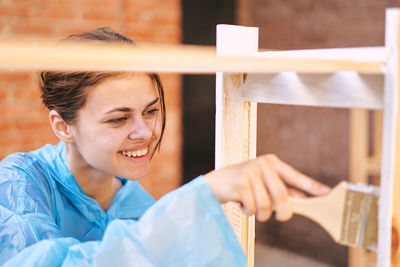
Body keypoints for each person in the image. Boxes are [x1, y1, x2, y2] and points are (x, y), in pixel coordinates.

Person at [0, 28, 330, 266]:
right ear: (62, 127)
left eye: (151, 111)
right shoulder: (19, 184)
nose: (145, 131)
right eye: (118, 119)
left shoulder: (139, 206)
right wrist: (203, 193)